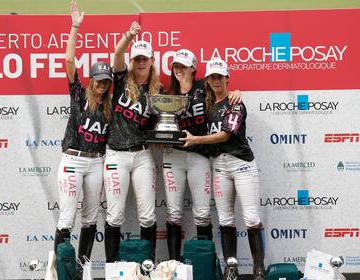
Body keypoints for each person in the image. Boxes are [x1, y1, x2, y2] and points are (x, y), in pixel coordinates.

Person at [180, 58, 265, 280]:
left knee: (251, 217)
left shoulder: (236, 102)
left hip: (241, 164)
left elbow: (226, 134)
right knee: (226, 219)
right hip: (219, 166)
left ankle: (258, 270)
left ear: (227, 78)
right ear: (207, 80)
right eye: (212, 77)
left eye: (220, 76)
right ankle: (231, 268)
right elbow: (186, 86)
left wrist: (196, 140)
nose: (216, 80)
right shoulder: (207, 104)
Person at [53, 2, 113, 279]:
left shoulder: (110, 106)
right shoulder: (78, 94)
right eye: (99, 80)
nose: (102, 85)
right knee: (67, 219)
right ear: (91, 80)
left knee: (90, 219)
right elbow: (68, 61)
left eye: (106, 82)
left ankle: (82, 268)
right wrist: (75, 27)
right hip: (73, 159)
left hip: (97, 162)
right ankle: (62, 269)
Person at [162, 49, 240, 261]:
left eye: (183, 66)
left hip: (199, 155)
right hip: (173, 156)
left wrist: (235, 92)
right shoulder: (168, 94)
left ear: (193, 69)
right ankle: (174, 265)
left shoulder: (203, 89)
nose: (179, 70)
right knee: (174, 214)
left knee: (203, 213)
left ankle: (204, 264)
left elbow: (223, 93)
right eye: (176, 66)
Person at [103, 22, 161, 262]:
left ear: (151, 60)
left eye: (144, 59)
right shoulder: (120, 81)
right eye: (136, 59)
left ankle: (147, 265)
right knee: (114, 215)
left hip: (143, 156)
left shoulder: (158, 90)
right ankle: (111, 268)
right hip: (116, 154)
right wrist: (128, 35)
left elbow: (157, 124)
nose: (140, 63)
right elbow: (116, 54)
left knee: (148, 216)